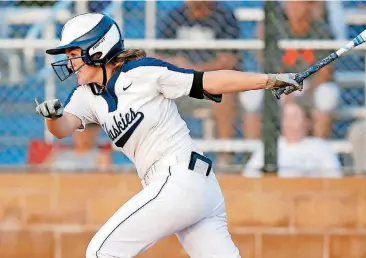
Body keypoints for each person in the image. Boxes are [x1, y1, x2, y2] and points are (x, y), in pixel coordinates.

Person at [35, 13, 301, 258]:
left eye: (73, 53)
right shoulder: (85, 95)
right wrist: (52, 117)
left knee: (100, 253)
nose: (69, 63)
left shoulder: (141, 72)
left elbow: (207, 80)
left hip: (179, 177)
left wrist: (267, 80)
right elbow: (62, 129)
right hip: (185, 185)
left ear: (97, 48)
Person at [240, 0, 340, 139]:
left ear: (308, 6)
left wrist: (307, 95)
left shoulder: (321, 30)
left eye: (298, 4)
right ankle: (254, 152)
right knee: (250, 97)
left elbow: (325, 71)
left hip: (310, 85)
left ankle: (318, 146)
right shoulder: (277, 27)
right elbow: (271, 64)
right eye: (290, 4)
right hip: (282, 83)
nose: (292, 7)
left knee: (327, 96)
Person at [157, 1, 240, 164]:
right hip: (180, 84)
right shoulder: (175, 17)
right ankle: (162, 157)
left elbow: (229, 60)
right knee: (153, 93)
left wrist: (195, 70)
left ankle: (225, 156)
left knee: (224, 93)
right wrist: (177, 63)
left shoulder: (224, 16)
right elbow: (159, 57)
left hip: (210, 83)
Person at [243, 102, 342, 178]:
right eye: (286, 117)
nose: (289, 122)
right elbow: (250, 174)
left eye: (295, 117)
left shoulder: (321, 147)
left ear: (307, 122)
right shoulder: (270, 146)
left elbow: (335, 177)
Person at [42, 123, 111, 171]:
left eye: (85, 130)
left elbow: (102, 182)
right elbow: (39, 175)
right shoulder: (56, 154)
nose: (80, 134)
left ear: (95, 132)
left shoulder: (101, 157)